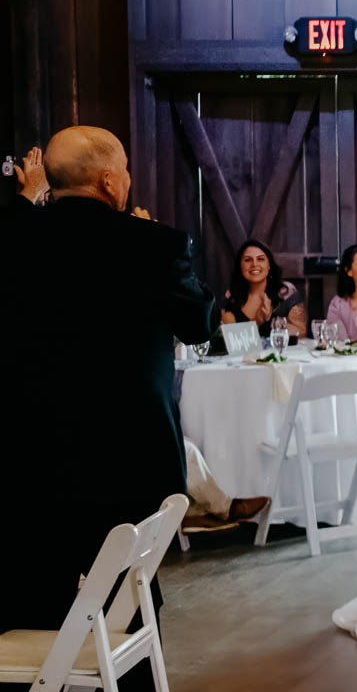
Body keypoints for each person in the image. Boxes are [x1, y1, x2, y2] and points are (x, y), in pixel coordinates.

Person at [0, 126, 219, 689]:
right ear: (109, 182)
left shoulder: (14, 239)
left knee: (33, 585)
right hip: (132, 458)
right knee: (130, 589)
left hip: (26, 461)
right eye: (124, 168)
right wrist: (152, 243)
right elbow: (199, 323)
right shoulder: (151, 245)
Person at [221, 238, 306, 337]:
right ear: (240, 266)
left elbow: (301, 332)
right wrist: (257, 322)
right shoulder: (232, 296)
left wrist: (274, 324)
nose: (254, 264)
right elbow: (231, 338)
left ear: (269, 265)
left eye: (261, 259)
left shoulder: (286, 291)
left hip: (282, 352)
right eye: (247, 260)